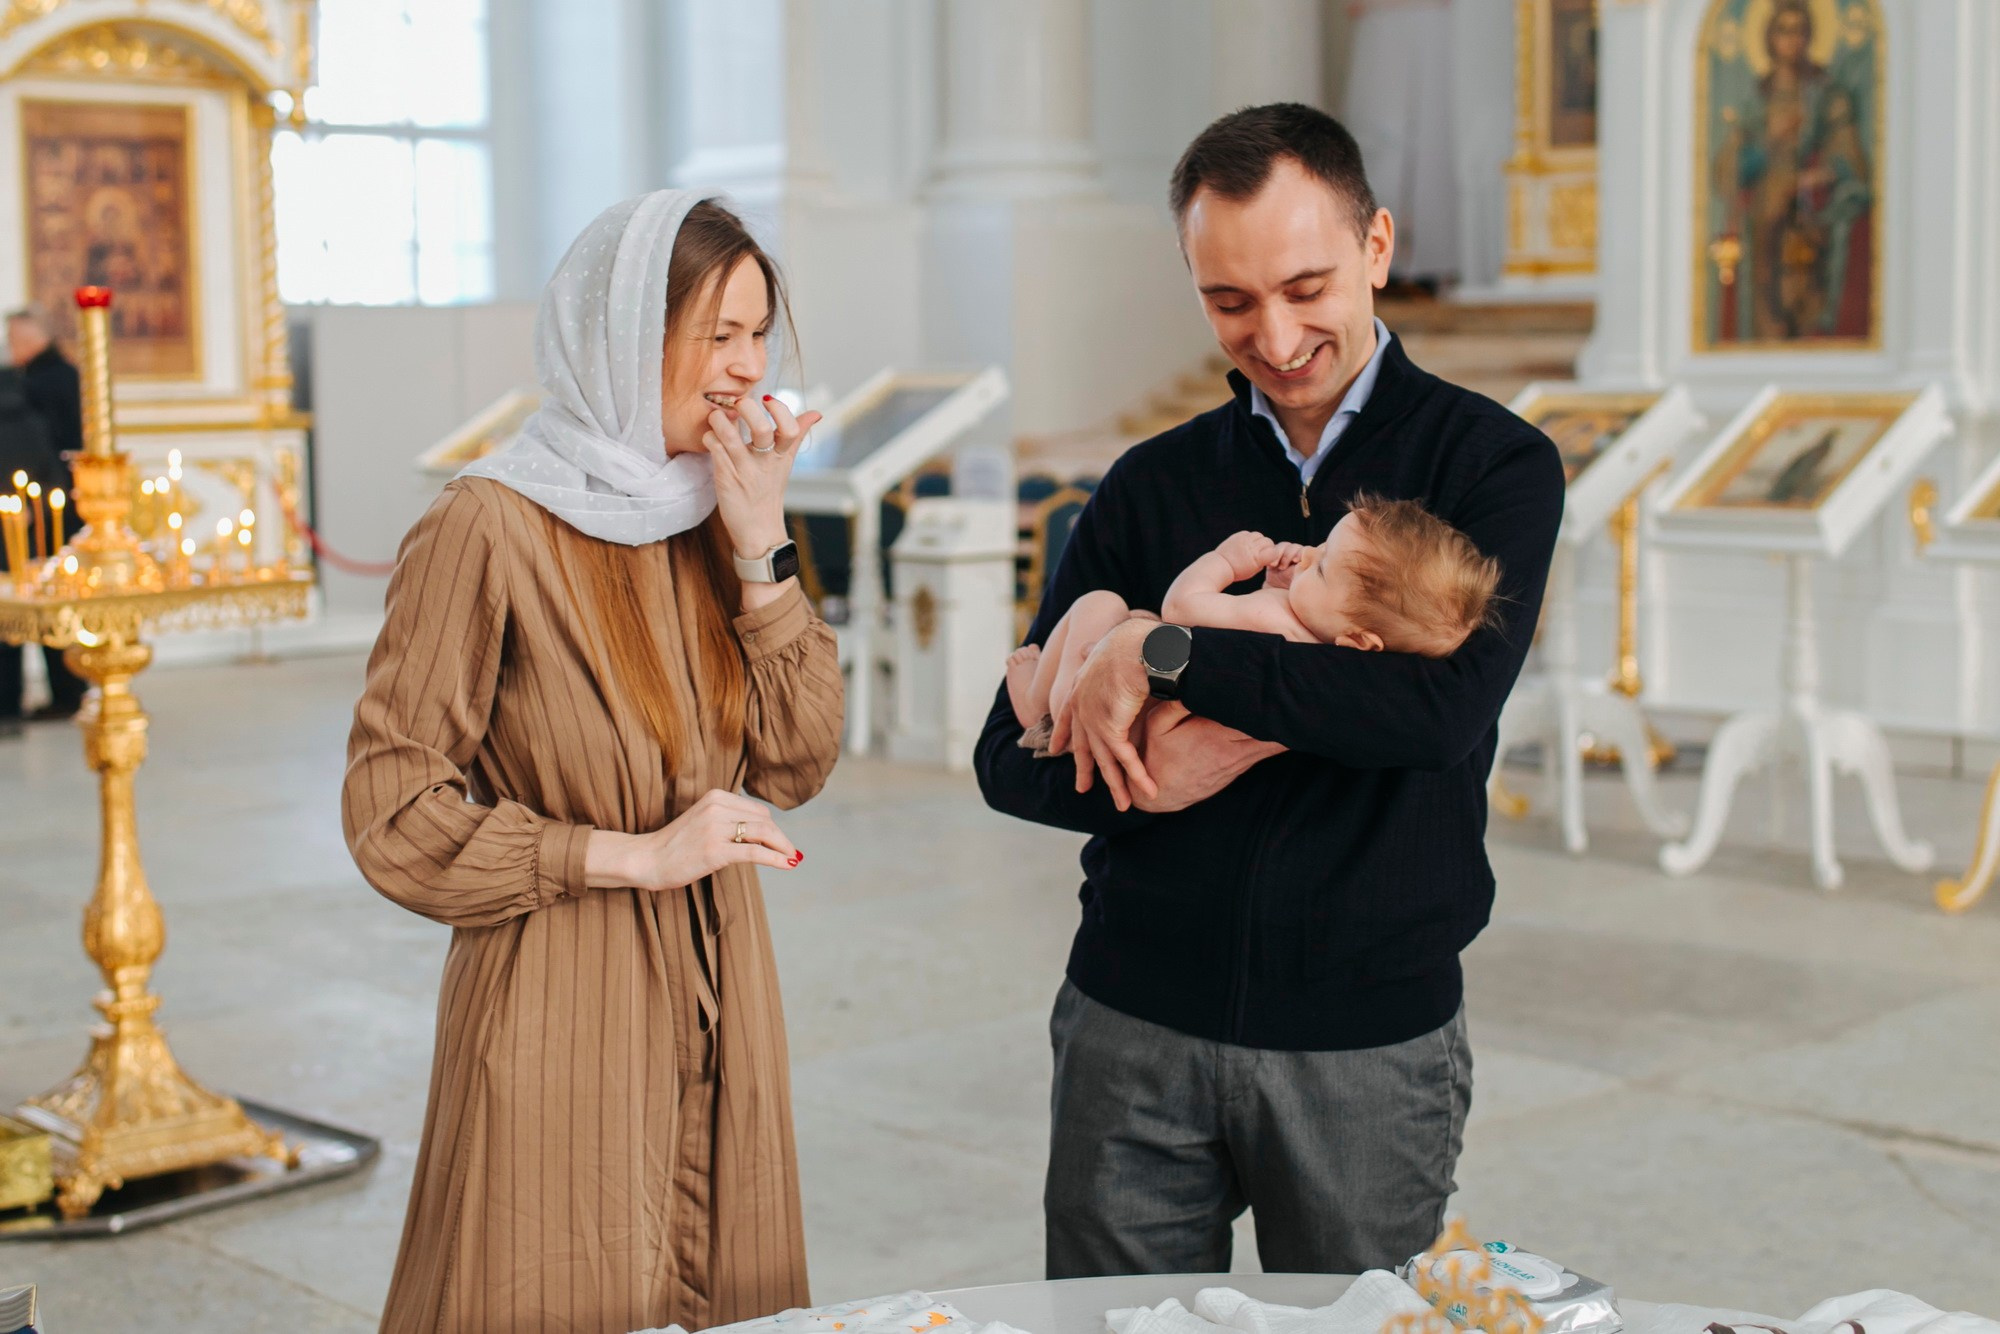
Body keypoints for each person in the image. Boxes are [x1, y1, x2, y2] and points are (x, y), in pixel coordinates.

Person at [973, 104, 1565, 1277]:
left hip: (1363, 1042)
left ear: (1377, 248)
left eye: (1306, 286)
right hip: (1129, 1019)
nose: (1276, 334)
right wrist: (1153, 785)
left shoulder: (1490, 466)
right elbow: (1005, 760)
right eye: (1228, 301)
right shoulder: (1149, 481)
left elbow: (1432, 718)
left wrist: (1158, 652)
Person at [343, 191, 843, 1334]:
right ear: (621, 334)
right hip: (562, 992)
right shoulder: (489, 523)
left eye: (756, 333)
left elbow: (800, 756)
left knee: (732, 1287)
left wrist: (762, 543)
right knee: (556, 1280)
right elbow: (391, 812)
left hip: (726, 992)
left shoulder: (715, 513)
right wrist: (629, 854)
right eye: (714, 333)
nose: (743, 367)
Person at [1004, 497, 1501, 751]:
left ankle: (1038, 706)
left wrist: (1226, 562)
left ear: (1357, 640)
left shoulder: (1276, 620)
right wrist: (1278, 587)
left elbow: (1180, 613)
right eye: (1322, 547)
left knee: (1099, 604)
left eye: (1323, 567)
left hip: (1110, 714)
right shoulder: (1316, 647)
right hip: (1146, 726)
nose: (1308, 555)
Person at [2, 308, 86, 723]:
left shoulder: (30, 386)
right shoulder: (62, 375)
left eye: (14, 338)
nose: (9, 347)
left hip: (38, 509)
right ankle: (69, 691)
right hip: (54, 505)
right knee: (51, 597)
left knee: (21, 601)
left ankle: (15, 703)